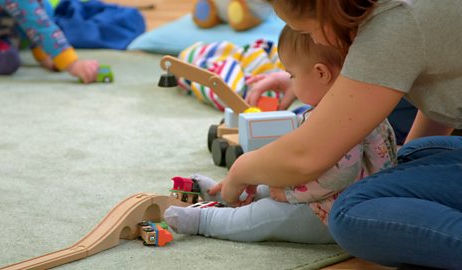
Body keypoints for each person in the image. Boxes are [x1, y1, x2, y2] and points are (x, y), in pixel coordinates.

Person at [219, 0, 462, 269]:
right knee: (411, 155)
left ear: (326, 11)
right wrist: (400, 178)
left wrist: (241, 170)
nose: (313, 41)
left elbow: (306, 156)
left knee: (348, 212)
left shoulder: (395, 22)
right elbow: (441, 98)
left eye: (308, 33)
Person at [163, 26, 397, 244]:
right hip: (325, 193)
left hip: (333, 210)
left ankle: (206, 221)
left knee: (262, 216)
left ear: (321, 73)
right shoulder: (361, 103)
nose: (290, 83)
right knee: (266, 185)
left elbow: (339, 176)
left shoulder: (343, 120)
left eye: (292, 75)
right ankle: (223, 195)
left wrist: (289, 193)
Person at [0, 0, 98, 83]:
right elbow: (39, 25)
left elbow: (35, 19)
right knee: (7, 61)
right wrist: (73, 64)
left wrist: (44, 57)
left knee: (44, 8)